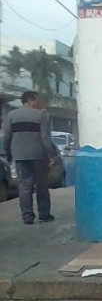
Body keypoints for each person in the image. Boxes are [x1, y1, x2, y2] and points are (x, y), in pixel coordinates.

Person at [2, 91, 60, 224]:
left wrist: (8, 153)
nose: (38, 103)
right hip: (39, 156)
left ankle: (27, 217)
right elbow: (45, 138)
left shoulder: (11, 115)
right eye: (36, 100)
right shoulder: (41, 115)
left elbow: (7, 138)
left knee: (24, 186)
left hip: (20, 156)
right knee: (41, 185)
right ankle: (44, 214)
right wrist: (52, 155)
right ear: (30, 100)